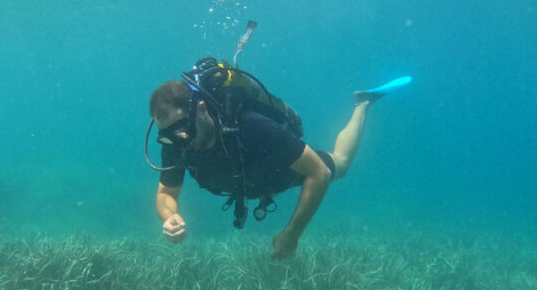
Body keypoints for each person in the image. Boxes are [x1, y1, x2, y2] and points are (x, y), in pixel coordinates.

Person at [148, 67, 405, 260]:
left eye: (183, 131)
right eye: (168, 136)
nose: (179, 142)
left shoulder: (252, 126)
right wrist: (169, 217)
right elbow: (166, 192)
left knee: (341, 163)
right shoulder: (175, 141)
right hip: (246, 182)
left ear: (202, 109)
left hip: (281, 170)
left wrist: (292, 234)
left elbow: (319, 173)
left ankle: (363, 103)